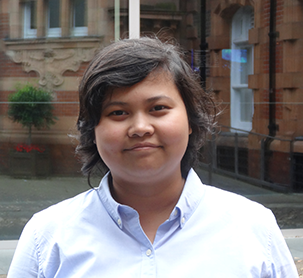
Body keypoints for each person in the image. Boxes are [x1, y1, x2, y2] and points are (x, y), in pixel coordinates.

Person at [8, 37, 298, 278]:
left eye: (158, 108)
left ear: (191, 121)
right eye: (117, 113)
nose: (140, 128)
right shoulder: (46, 236)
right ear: (92, 131)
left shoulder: (253, 227)